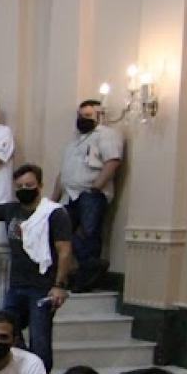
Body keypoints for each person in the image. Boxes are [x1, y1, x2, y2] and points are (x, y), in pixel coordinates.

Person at [0, 164, 74, 374]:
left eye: (29, 185)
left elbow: (64, 251)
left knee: (40, 338)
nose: (24, 189)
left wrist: (59, 286)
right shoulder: (11, 209)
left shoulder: (54, 213)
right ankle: (21, 371)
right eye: (19, 186)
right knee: (6, 329)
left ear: (40, 185)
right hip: (16, 285)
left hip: (43, 286)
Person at [53, 99, 124, 291]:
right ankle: (88, 267)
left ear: (98, 116)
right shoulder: (73, 142)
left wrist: (96, 187)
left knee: (89, 234)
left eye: (87, 116)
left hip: (90, 194)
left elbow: (112, 161)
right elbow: (63, 172)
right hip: (69, 195)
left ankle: (87, 278)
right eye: (80, 115)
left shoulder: (106, 135)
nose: (82, 119)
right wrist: (53, 198)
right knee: (63, 232)